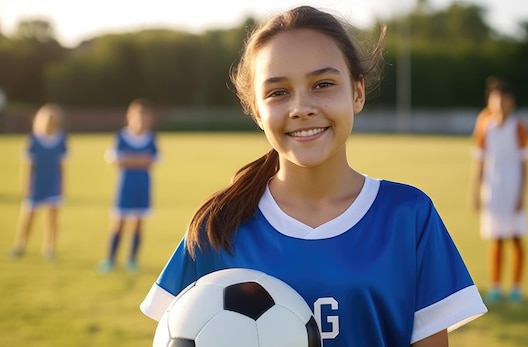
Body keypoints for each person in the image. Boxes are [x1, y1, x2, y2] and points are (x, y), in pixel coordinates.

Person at [141, 6, 486, 346]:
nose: (301, 107)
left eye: (322, 84)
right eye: (278, 92)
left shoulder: (408, 215)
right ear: (257, 111)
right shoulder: (220, 225)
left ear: (357, 92)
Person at [470, 76, 528, 304]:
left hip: (513, 189)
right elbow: (479, 161)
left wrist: (521, 195)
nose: (500, 104)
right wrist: (475, 192)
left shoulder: (519, 127)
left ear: (511, 102)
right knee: (495, 238)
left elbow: (525, 164)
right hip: (493, 189)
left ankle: (516, 286)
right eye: (496, 99)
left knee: (516, 238)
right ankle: (495, 286)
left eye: (504, 100)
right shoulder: (485, 125)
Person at [99, 98, 159, 273]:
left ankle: (132, 260)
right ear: (129, 117)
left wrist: (129, 159)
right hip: (124, 186)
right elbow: (115, 160)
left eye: (143, 117)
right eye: (136, 117)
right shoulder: (121, 137)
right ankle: (110, 259)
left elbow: (153, 160)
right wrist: (141, 159)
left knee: (138, 223)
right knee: (118, 223)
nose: (140, 120)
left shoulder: (151, 138)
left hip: (143, 186)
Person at [11, 103, 68, 261]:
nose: (50, 122)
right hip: (37, 183)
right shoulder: (34, 140)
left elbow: (61, 165)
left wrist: (61, 184)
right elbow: (29, 166)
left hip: (53, 182)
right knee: (28, 215)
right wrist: (27, 185)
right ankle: (20, 245)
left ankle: (49, 248)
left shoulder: (60, 139)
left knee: (52, 217)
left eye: (53, 119)